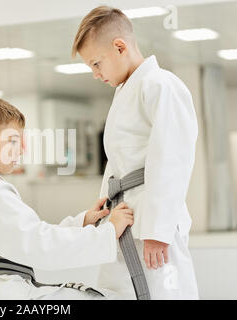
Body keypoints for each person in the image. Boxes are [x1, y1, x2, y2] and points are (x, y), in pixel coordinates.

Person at [71, 6, 199, 299]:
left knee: (166, 292)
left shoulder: (161, 85)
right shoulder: (126, 92)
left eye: (96, 63)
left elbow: (171, 159)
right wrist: (104, 206)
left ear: (120, 47)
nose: (95, 74)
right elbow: (118, 164)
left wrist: (159, 229)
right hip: (124, 216)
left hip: (151, 225)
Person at [0, 97, 134, 299]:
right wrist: (108, 233)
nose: (21, 150)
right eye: (12, 141)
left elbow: (33, 236)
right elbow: (39, 244)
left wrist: (82, 223)